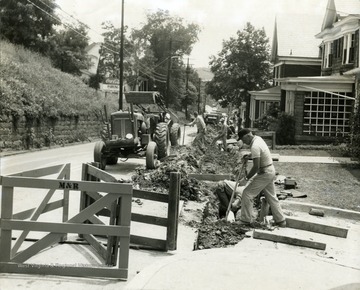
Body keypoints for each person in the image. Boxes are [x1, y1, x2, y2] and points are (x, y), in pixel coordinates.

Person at [232, 128, 286, 227]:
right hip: (269, 170)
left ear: (248, 135)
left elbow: (256, 166)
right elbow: (258, 154)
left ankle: (245, 220)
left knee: (247, 193)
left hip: (264, 172)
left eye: (243, 139)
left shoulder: (255, 146)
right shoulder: (258, 139)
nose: (243, 142)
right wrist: (250, 155)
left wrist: (246, 178)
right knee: (271, 197)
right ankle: (281, 220)